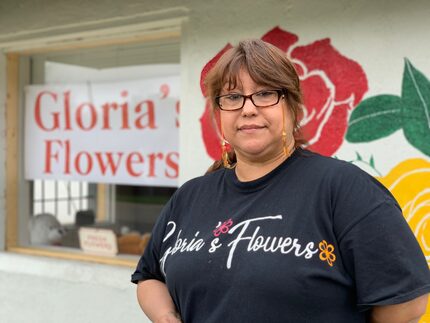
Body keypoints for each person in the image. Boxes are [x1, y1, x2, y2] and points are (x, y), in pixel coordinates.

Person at [131, 39, 430, 323]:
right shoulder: (190, 197)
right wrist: (165, 316)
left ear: (293, 107)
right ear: (218, 113)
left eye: (265, 94)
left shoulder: (343, 189)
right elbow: (149, 276)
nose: (248, 108)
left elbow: (406, 302)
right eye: (233, 97)